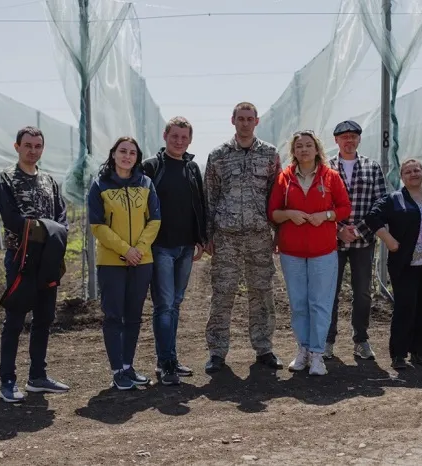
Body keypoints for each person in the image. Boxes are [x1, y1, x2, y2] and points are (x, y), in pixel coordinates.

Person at [203, 102, 283, 373]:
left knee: (262, 293)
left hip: (259, 236)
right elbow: (210, 198)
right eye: (241, 118)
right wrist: (208, 235)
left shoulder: (270, 154)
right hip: (226, 237)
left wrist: (277, 233)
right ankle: (216, 351)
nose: (245, 123)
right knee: (223, 294)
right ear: (233, 120)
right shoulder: (219, 156)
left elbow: (275, 197)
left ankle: (264, 348)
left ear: (257, 121)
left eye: (250, 118)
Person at [0, 126, 70, 403]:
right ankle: (7, 380)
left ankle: (38, 376)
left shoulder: (50, 180)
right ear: (17, 147)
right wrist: (49, 230)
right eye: (28, 145)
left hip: (48, 259)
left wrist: (53, 232)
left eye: (38, 146)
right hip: (21, 258)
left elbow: (63, 220)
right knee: (15, 319)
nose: (33, 150)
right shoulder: (6, 179)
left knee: (45, 318)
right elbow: (13, 221)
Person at [267, 130, 351, 376]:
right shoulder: (284, 178)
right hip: (291, 251)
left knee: (319, 303)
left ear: (317, 150)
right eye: (299, 146)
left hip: (323, 251)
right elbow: (273, 212)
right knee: (299, 304)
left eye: (308, 145)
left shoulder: (331, 176)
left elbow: (344, 208)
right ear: (293, 151)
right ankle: (302, 349)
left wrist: (325, 216)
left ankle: (317, 354)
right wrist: (289, 214)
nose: (304, 149)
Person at [87, 136, 161, 390]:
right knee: (113, 316)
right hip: (112, 263)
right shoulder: (100, 185)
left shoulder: (146, 183)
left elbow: (154, 220)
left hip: (142, 261)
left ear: (137, 157)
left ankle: (129, 367)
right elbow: (97, 226)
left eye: (132, 152)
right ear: (114, 154)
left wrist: (138, 250)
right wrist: (125, 250)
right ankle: (117, 370)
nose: (127, 156)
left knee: (133, 316)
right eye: (122, 151)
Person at [142, 116, 207, 386]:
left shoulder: (192, 168)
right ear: (165, 136)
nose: (179, 141)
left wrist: (201, 238)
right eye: (174, 136)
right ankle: (165, 362)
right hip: (160, 247)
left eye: (184, 137)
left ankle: (169, 357)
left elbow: (200, 204)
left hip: (185, 247)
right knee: (164, 305)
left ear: (190, 140)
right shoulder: (151, 167)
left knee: (175, 304)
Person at [365, 158, 422, 370]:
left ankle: (418, 352)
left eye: (417, 170)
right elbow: (372, 217)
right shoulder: (395, 199)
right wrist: (388, 240)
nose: (413, 174)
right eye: (408, 172)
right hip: (405, 263)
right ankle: (398, 354)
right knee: (405, 307)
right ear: (402, 177)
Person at [325, 120, 387, 360]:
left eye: (353, 136)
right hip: (333, 241)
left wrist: (359, 229)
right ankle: (327, 339)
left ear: (359, 139)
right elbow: (323, 203)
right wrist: (339, 229)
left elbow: (380, 203)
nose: (349, 141)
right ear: (336, 141)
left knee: (362, 292)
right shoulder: (327, 168)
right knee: (330, 291)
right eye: (344, 137)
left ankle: (361, 339)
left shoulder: (372, 167)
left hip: (363, 241)